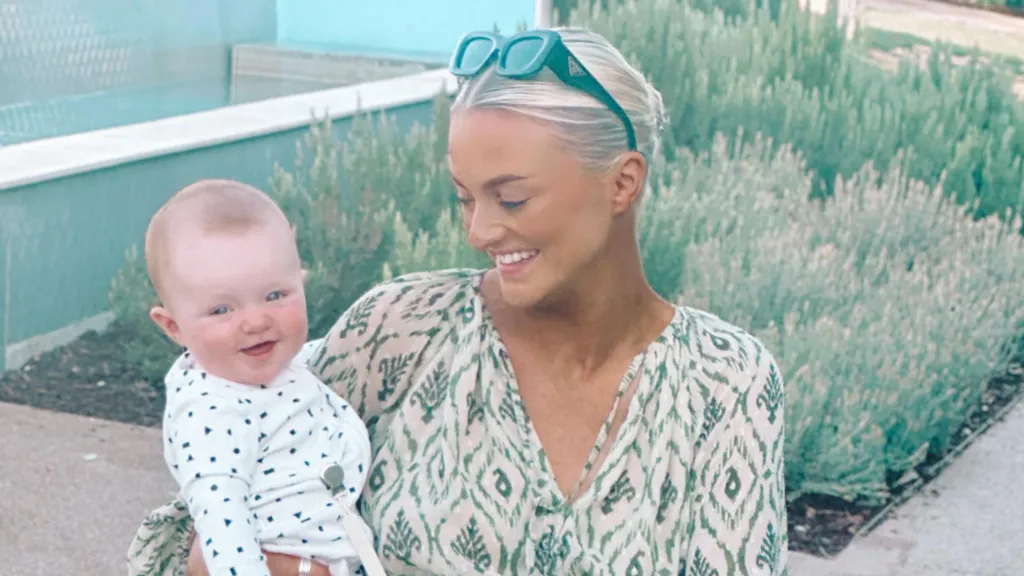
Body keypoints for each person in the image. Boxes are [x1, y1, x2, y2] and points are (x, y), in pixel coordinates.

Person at [126, 26, 789, 576]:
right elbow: (203, 522)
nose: (479, 232)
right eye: (465, 197)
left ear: (622, 183)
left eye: (513, 198)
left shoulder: (727, 384)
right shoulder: (401, 330)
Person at [136, 179, 379, 576]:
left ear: (300, 283)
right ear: (173, 326)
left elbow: (306, 366)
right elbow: (222, 521)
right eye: (221, 310)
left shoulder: (262, 370)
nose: (255, 321)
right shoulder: (210, 414)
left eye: (275, 296)